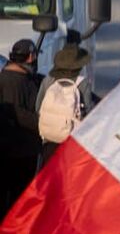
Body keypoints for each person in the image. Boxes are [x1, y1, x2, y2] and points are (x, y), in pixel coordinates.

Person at [36, 33, 95, 167]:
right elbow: (88, 112)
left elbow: (38, 107)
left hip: (49, 139)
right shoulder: (82, 83)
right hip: (70, 139)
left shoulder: (48, 80)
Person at [0, 39, 43, 217]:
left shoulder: (2, 78)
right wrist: (41, 122)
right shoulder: (29, 82)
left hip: (4, 149)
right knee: (19, 198)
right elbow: (23, 116)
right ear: (31, 57)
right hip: (24, 151)